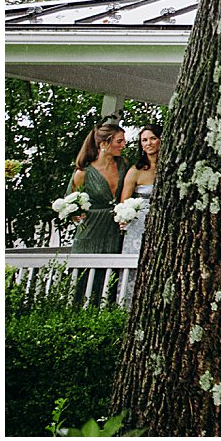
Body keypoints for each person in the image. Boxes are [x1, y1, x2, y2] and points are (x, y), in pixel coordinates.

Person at [68, 119, 127, 304]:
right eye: (119, 141)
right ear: (104, 144)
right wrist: (76, 215)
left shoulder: (124, 165)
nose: (123, 145)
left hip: (114, 233)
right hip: (90, 234)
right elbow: (69, 204)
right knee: (84, 285)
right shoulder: (83, 173)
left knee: (109, 284)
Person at [119, 122, 160, 309]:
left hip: (161, 223)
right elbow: (124, 202)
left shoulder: (169, 167)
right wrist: (123, 218)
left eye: (153, 138)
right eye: (144, 140)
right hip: (138, 225)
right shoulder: (135, 171)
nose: (148, 143)